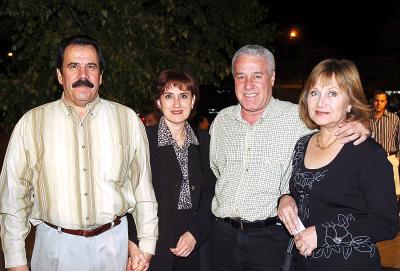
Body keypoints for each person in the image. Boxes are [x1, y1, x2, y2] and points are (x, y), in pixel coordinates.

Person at [0, 35, 158, 271]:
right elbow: (13, 196)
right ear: (60, 75)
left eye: (91, 66)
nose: (82, 75)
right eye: (73, 66)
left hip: (113, 246)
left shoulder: (128, 121)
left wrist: (146, 245)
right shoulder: (32, 123)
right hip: (54, 247)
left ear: (101, 76)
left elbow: (143, 188)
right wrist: (15, 261)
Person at [209, 45, 370, 271]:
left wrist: (357, 123)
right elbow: (216, 172)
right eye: (241, 76)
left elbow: (331, 126)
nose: (248, 85)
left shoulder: (299, 118)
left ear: (272, 78)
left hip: (273, 239)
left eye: (257, 75)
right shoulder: (221, 122)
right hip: (222, 237)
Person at [278, 59, 398, 271]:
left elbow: (387, 223)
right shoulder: (303, 144)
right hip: (304, 263)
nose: (320, 102)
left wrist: (322, 234)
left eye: (332, 93)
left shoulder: (367, 153)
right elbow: (305, 195)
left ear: (350, 101)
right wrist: (286, 199)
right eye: (314, 93)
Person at [127, 70, 215, 271]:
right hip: (152, 247)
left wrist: (196, 233)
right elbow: (128, 197)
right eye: (169, 96)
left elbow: (211, 195)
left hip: (195, 247)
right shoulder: (142, 141)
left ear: (193, 101)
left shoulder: (204, 141)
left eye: (183, 96)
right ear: (159, 102)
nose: (176, 104)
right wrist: (133, 246)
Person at [370, 90, 400, 197]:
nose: (379, 104)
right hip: (369, 162)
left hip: (389, 159)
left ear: (386, 102)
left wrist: (396, 159)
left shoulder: (394, 119)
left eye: (382, 101)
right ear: (372, 101)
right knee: (372, 192)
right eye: (376, 100)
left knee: (392, 194)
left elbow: (399, 139)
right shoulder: (365, 119)